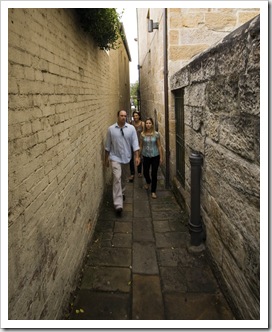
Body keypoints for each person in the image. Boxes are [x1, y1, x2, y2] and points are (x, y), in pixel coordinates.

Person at [105, 110, 140, 214]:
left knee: (124, 178)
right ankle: (118, 205)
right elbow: (107, 146)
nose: (123, 117)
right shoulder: (111, 129)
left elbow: (135, 143)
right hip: (115, 157)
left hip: (126, 158)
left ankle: (122, 192)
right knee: (117, 178)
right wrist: (106, 159)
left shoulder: (131, 129)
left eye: (125, 116)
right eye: (121, 116)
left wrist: (137, 157)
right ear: (118, 116)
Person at [139, 117, 163, 199]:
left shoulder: (156, 134)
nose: (148, 125)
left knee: (154, 173)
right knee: (145, 172)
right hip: (145, 155)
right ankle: (148, 182)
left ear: (152, 124)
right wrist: (138, 156)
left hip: (155, 156)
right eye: (147, 123)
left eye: (149, 123)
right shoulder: (142, 134)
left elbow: (159, 146)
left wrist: (161, 157)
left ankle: (153, 191)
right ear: (145, 124)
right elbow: (141, 145)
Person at [128, 111, 145, 182]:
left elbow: (144, 133)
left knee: (139, 157)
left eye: (137, 115)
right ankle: (132, 173)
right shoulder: (131, 124)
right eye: (134, 116)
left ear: (139, 116)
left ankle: (139, 172)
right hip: (131, 143)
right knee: (131, 158)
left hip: (139, 143)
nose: (135, 117)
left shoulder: (142, 124)